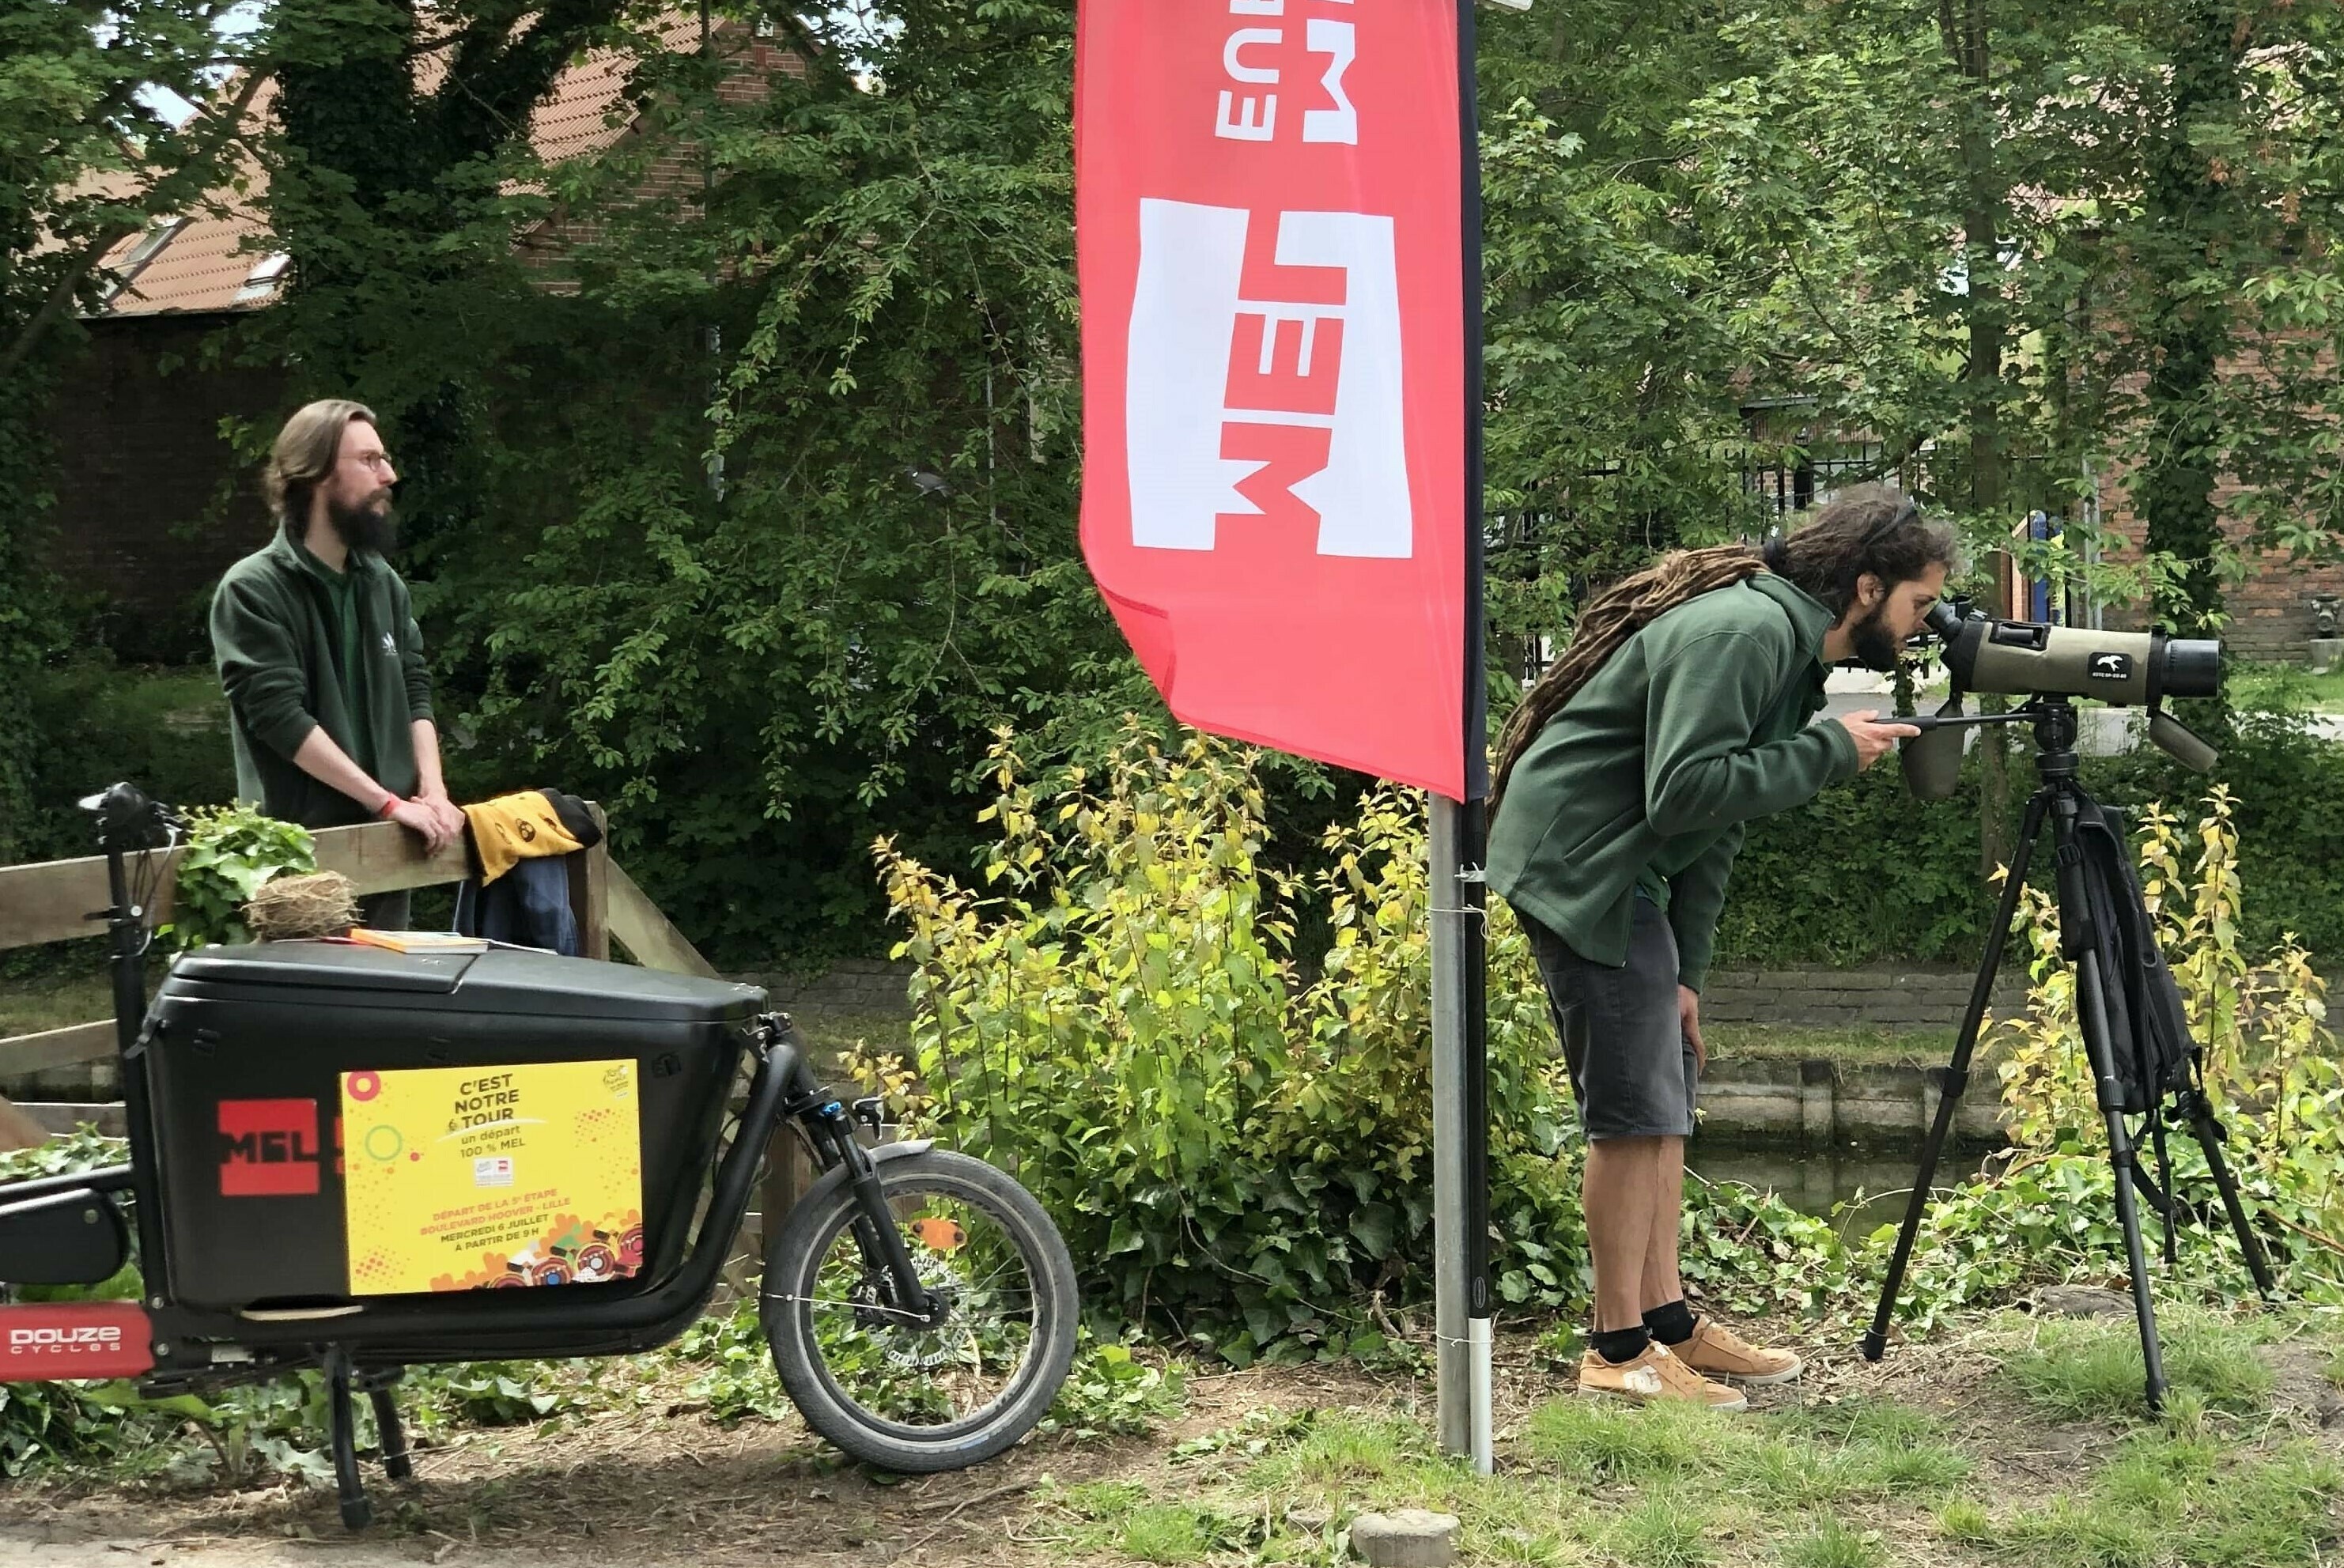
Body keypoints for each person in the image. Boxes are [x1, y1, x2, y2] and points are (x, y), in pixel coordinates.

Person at [1486, 486, 1953, 1411]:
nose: (1925, 625)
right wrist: (1826, 753)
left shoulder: (1787, 651)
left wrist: (1688, 977)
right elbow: (1685, 791)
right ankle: (1617, 1352)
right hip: (1584, 870)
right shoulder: (1743, 634)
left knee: (1666, 1101)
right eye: (1919, 605)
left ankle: (1667, 1323)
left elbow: (1720, 824)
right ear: (1867, 587)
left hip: (1634, 874)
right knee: (1630, 1115)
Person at [209, 399, 465, 928]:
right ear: (317, 473)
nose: (389, 476)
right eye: (369, 460)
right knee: (311, 1010)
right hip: (299, 863)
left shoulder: (382, 583)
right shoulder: (252, 589)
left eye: (384, 459)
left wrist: (432, 793)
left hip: (392, 846)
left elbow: (415, 688)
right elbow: (281, 719)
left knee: (386, 1007)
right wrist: (389, 803)